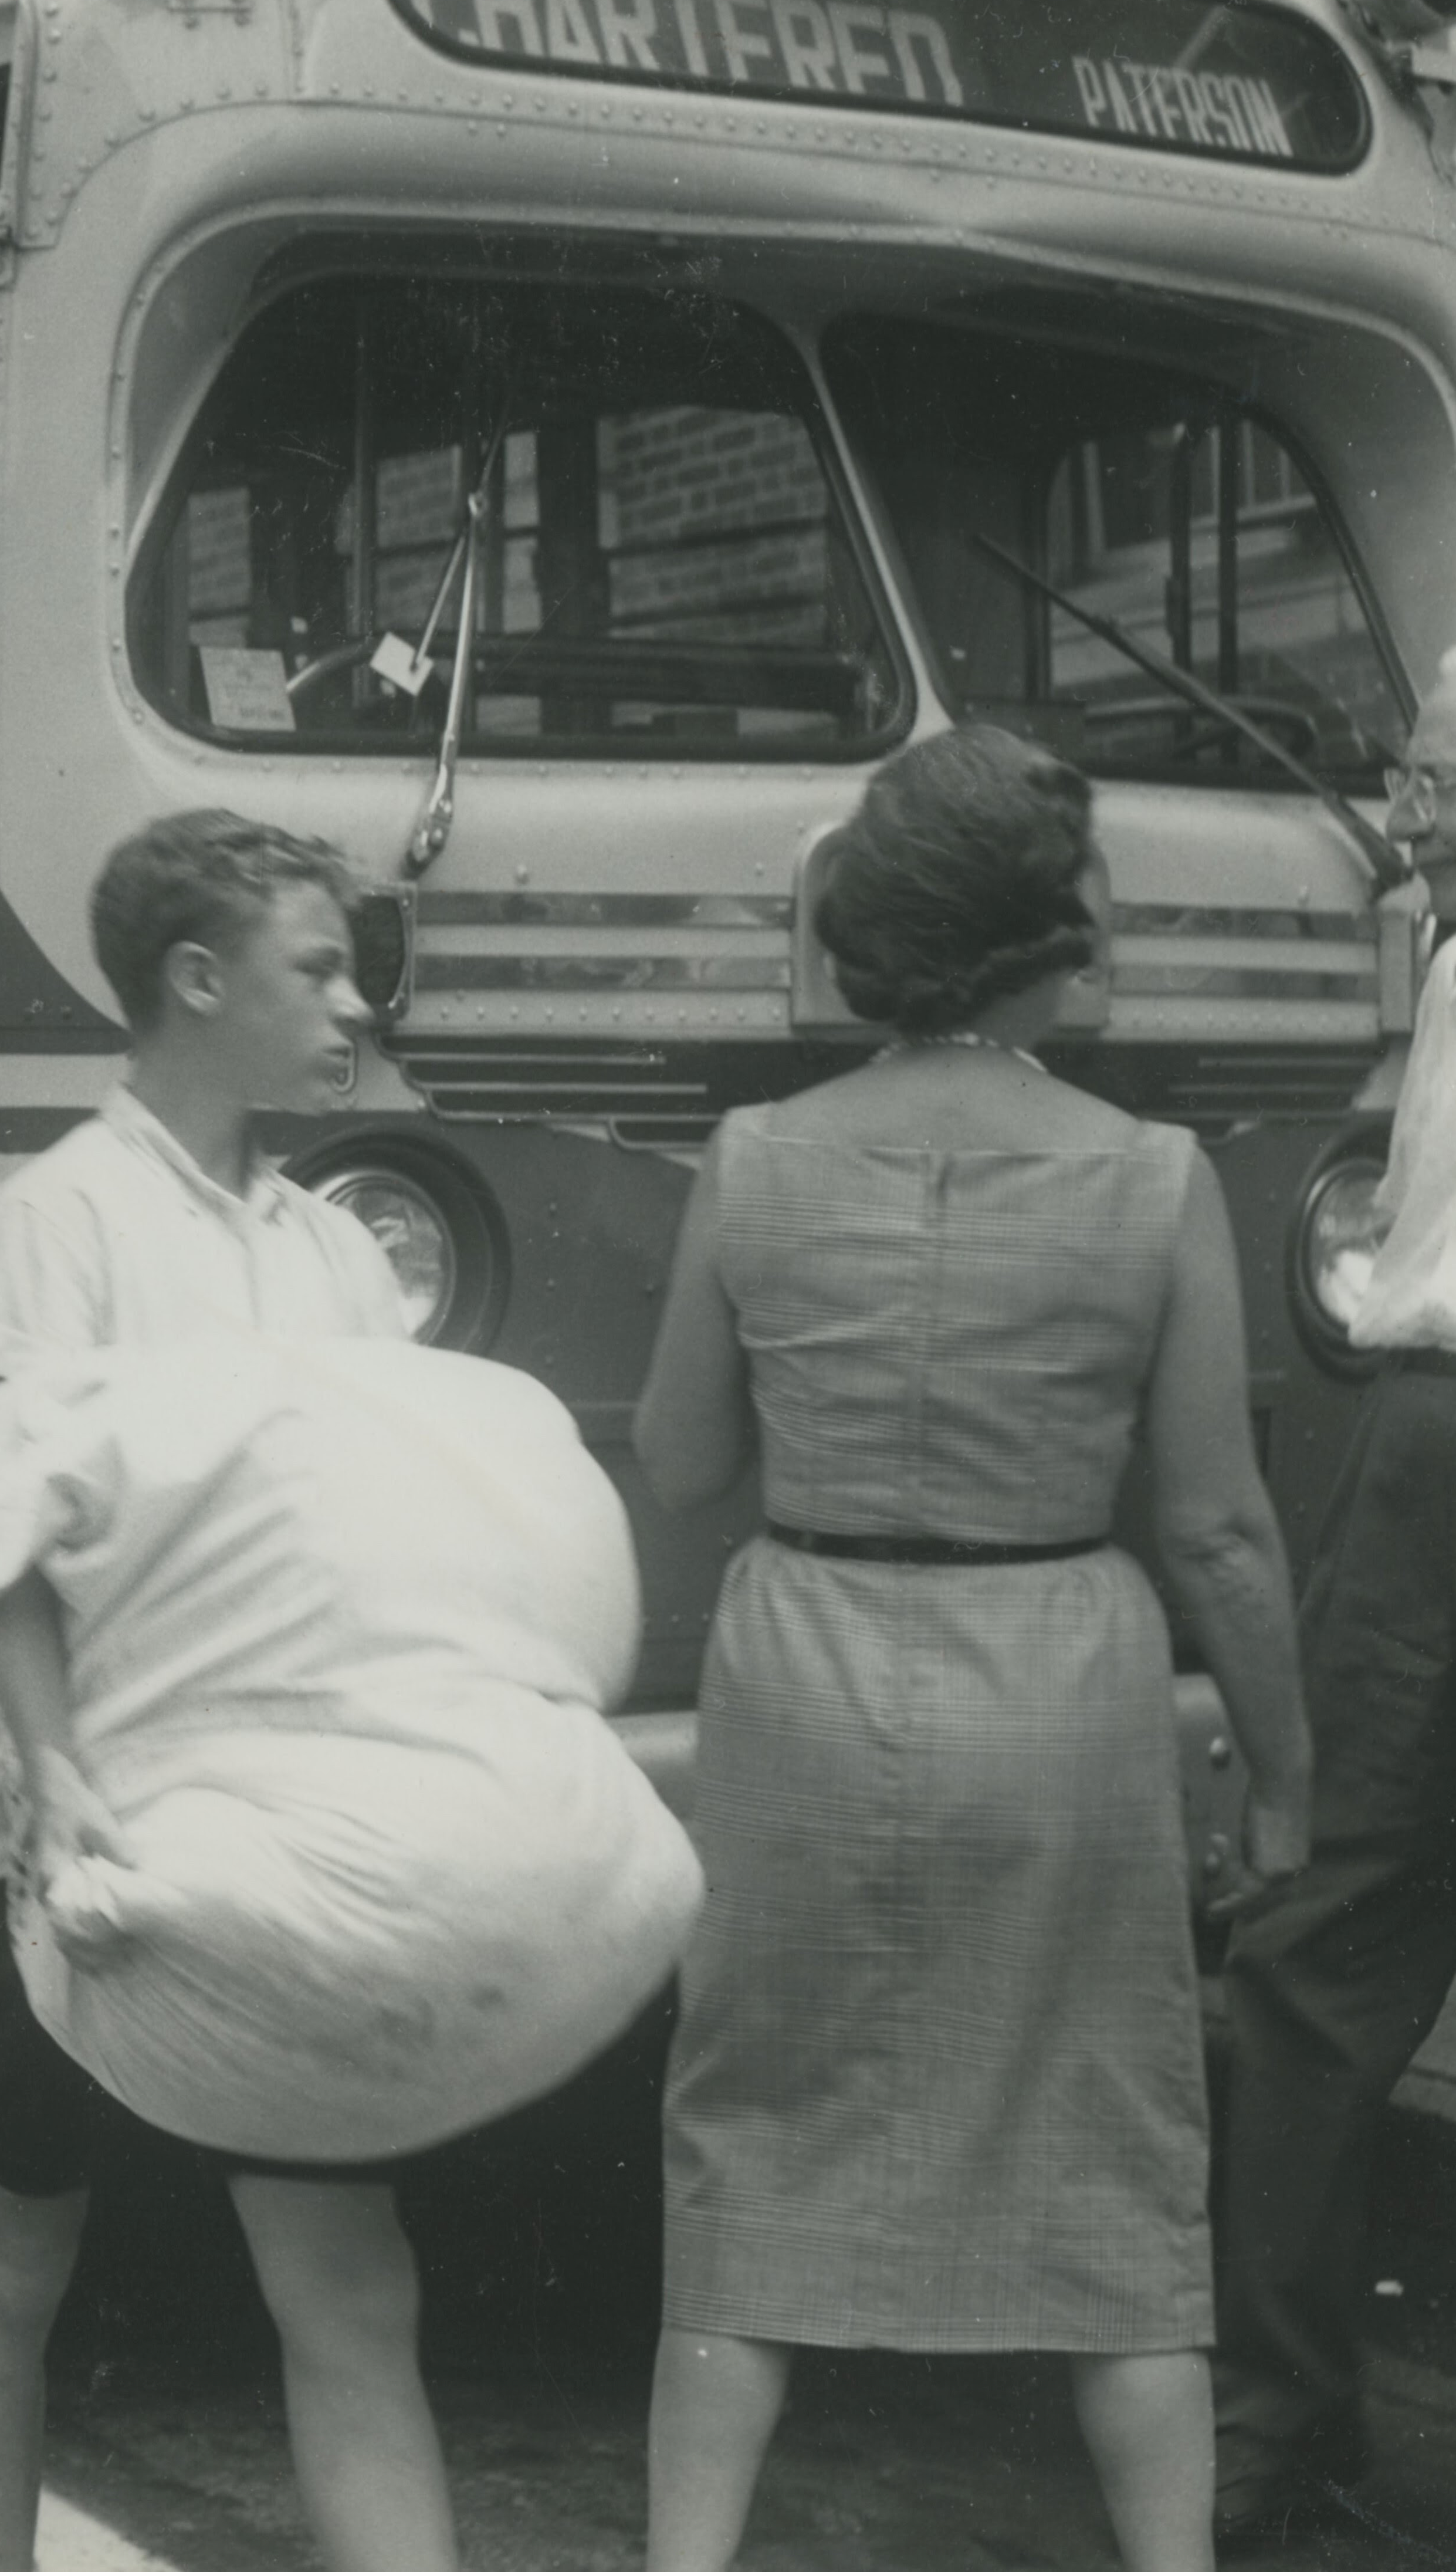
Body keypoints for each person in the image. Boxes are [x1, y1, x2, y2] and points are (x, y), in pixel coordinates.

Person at [633, 725, 1312, 2572]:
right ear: (1035, 928)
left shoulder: (757, 1158)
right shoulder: (1152, 1176)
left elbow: (683, 1467)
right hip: (1058, 1677)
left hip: (806, 1672)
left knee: (755, 2140)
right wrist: (1289, 1782)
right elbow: (1220, 1530)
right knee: (1112, 2159)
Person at [0, 810, 458, 2572]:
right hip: (56, 1836)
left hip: (280, 1835)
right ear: (196, 983)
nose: (354, 1002)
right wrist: (58, 1777)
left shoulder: (332, 1252)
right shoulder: (57, 1223)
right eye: (317, 968)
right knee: (13, 2257)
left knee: (351, 2282)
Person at [1212, 648, 1456, 2546]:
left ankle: (1280, 2419)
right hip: (1423, 1439)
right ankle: (1284, 2415)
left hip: (1434, 1461)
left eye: (1445, 781)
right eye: (1412, 772)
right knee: (1332, 1930)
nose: (1409, 815)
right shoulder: (1453, 962)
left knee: (1330, 1923)